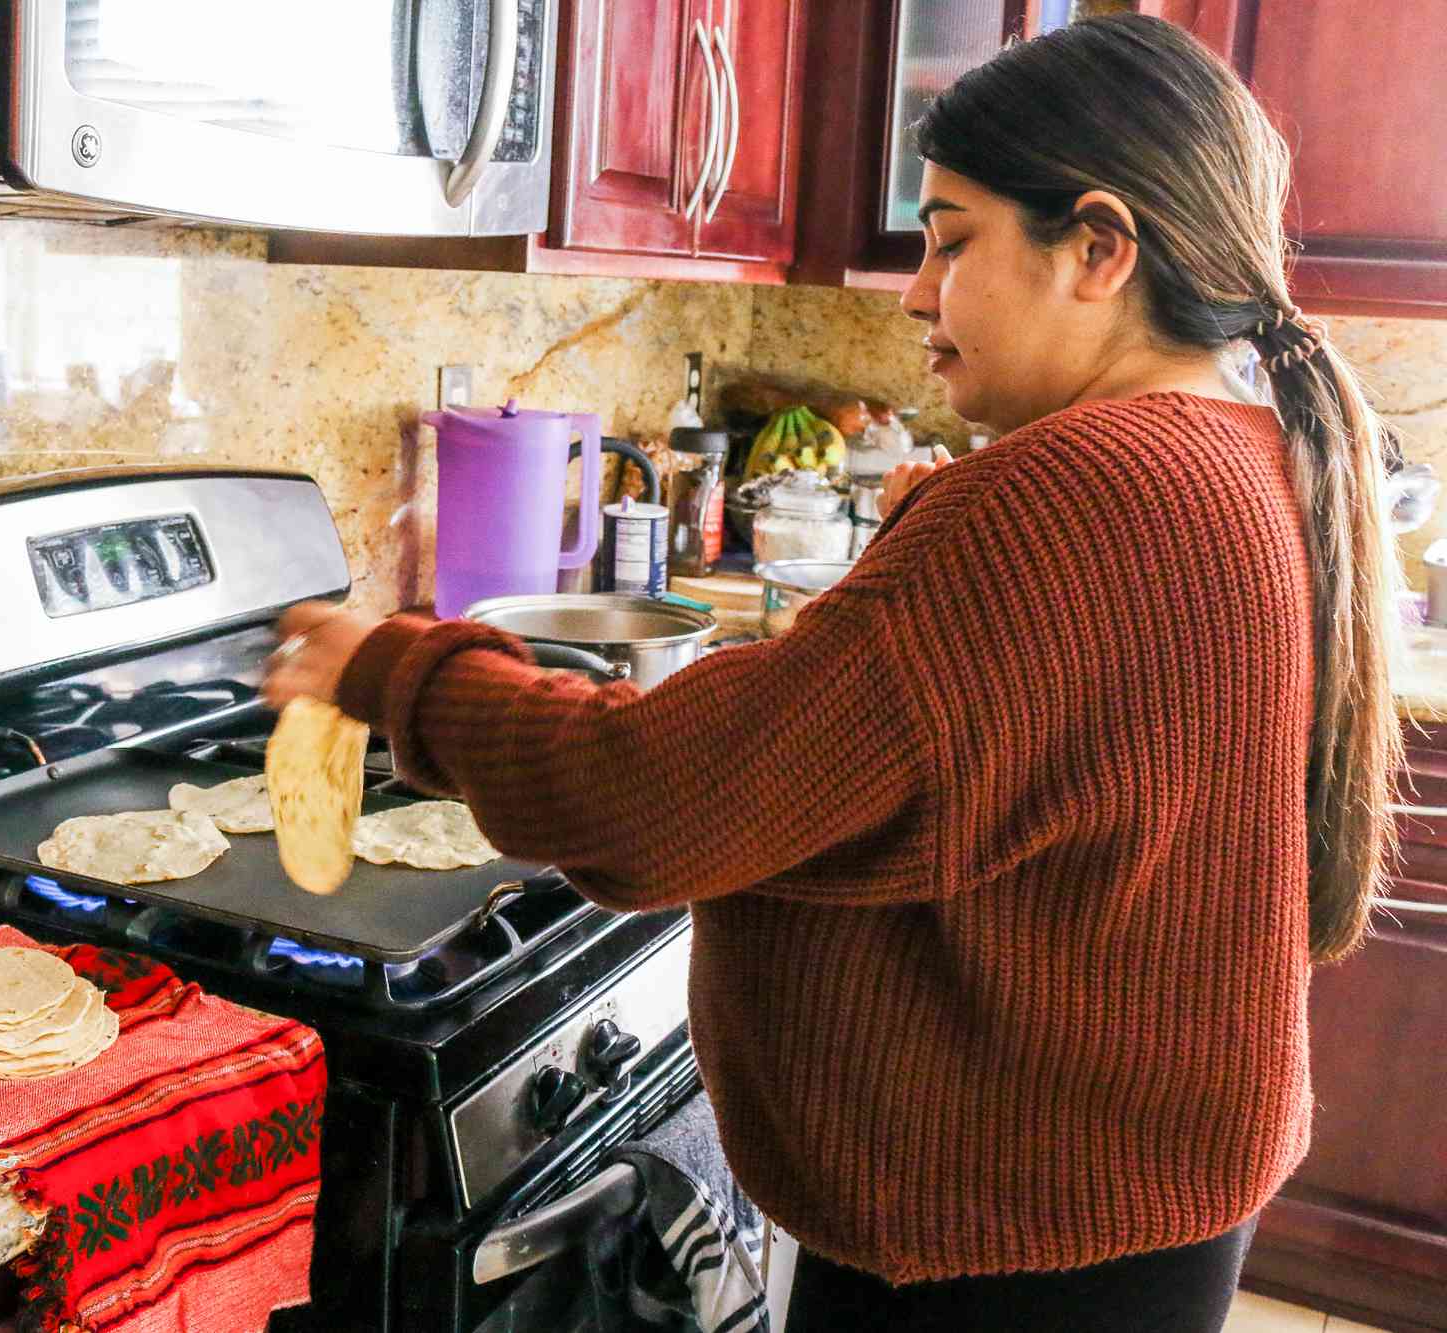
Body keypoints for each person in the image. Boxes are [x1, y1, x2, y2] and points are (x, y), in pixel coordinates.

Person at [262, 15, 1403, 1331]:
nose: (917, 293)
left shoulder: (1080, 491)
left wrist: (388, 666)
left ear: (1099, 249)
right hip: (1116, 1195)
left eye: (953, 241)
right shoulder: (1242, 451)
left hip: (1014, 1240)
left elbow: (651, 800)